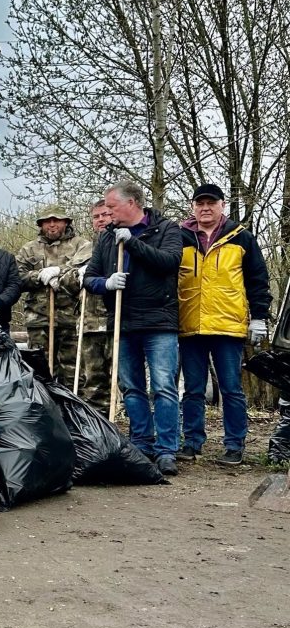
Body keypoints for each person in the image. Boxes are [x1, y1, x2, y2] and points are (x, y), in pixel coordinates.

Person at [83, 180, 183, 475]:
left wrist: (134, 243)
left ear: (132, 203)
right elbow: (90, 277)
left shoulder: (166, 229)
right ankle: (141, 443)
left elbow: (169, 262)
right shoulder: (107, 238)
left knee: (164, 386)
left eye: (112, 207)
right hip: (123, 322)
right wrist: (106, 283)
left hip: (158, 321)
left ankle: (166, 450)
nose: (108, 212)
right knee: (130, 386)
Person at [177, 183, 271, 465]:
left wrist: (258, 317)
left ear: (222, 205)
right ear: (193, 207)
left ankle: (234, 445)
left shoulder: (241, 238)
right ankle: (192, 443)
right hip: (189, 323)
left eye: (211, 203)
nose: (205, 209)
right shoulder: (180, 237)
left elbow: (257, 280)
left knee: (231, 388)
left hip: (228, 325)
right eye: (200, 204)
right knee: (192, 389)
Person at [16, 205, 92, 384]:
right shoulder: (29, 249)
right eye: (47, 221)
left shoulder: (82, 245)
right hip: (39, 318)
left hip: (71, 318)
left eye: (56, 220)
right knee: (38, 370)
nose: (52, 225)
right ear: (41, 225)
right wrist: (39, 276)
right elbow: (17, 277)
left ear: (65, 222)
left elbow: (85, 268)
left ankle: (70, 408)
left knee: (73, 371)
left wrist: (60, 272)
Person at [79, 200, 115, 411]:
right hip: (90, 322)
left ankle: (124, 424)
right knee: (92, 380)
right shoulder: (83, 248)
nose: (101, 220)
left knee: (123, 379)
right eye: (96, 217)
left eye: (105, 215)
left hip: (117, 320)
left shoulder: (122, 243)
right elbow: (66, 279)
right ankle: (97, 426)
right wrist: (76, 275)